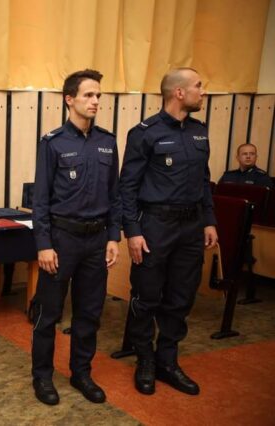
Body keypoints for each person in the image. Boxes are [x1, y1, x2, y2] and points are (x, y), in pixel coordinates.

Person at [119, 67, 218, 397]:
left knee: (181, 297)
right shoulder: (144, 133)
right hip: (155, 225)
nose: (203, 92)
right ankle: (145, 360)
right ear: (179, 92)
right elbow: (127, 187)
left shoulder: (199, 131)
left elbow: (204, 180)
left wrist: (209, 220)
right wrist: (132, 231)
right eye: (198, 86)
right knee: (146, 296)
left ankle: (167, 361)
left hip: (191, 227)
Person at [30, 69, 121, 405]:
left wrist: (114, 237)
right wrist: (44, 244)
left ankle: (81, 372)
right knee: (49, 313)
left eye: (98, 95)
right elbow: (40, 199)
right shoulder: (53, 142)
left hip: (96, 241)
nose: (95, 101)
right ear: (69, 99)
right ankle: (42, 376)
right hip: (62, 239)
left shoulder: (107, 142)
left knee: (89, 313)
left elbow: (115, 195)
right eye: (88, 95)